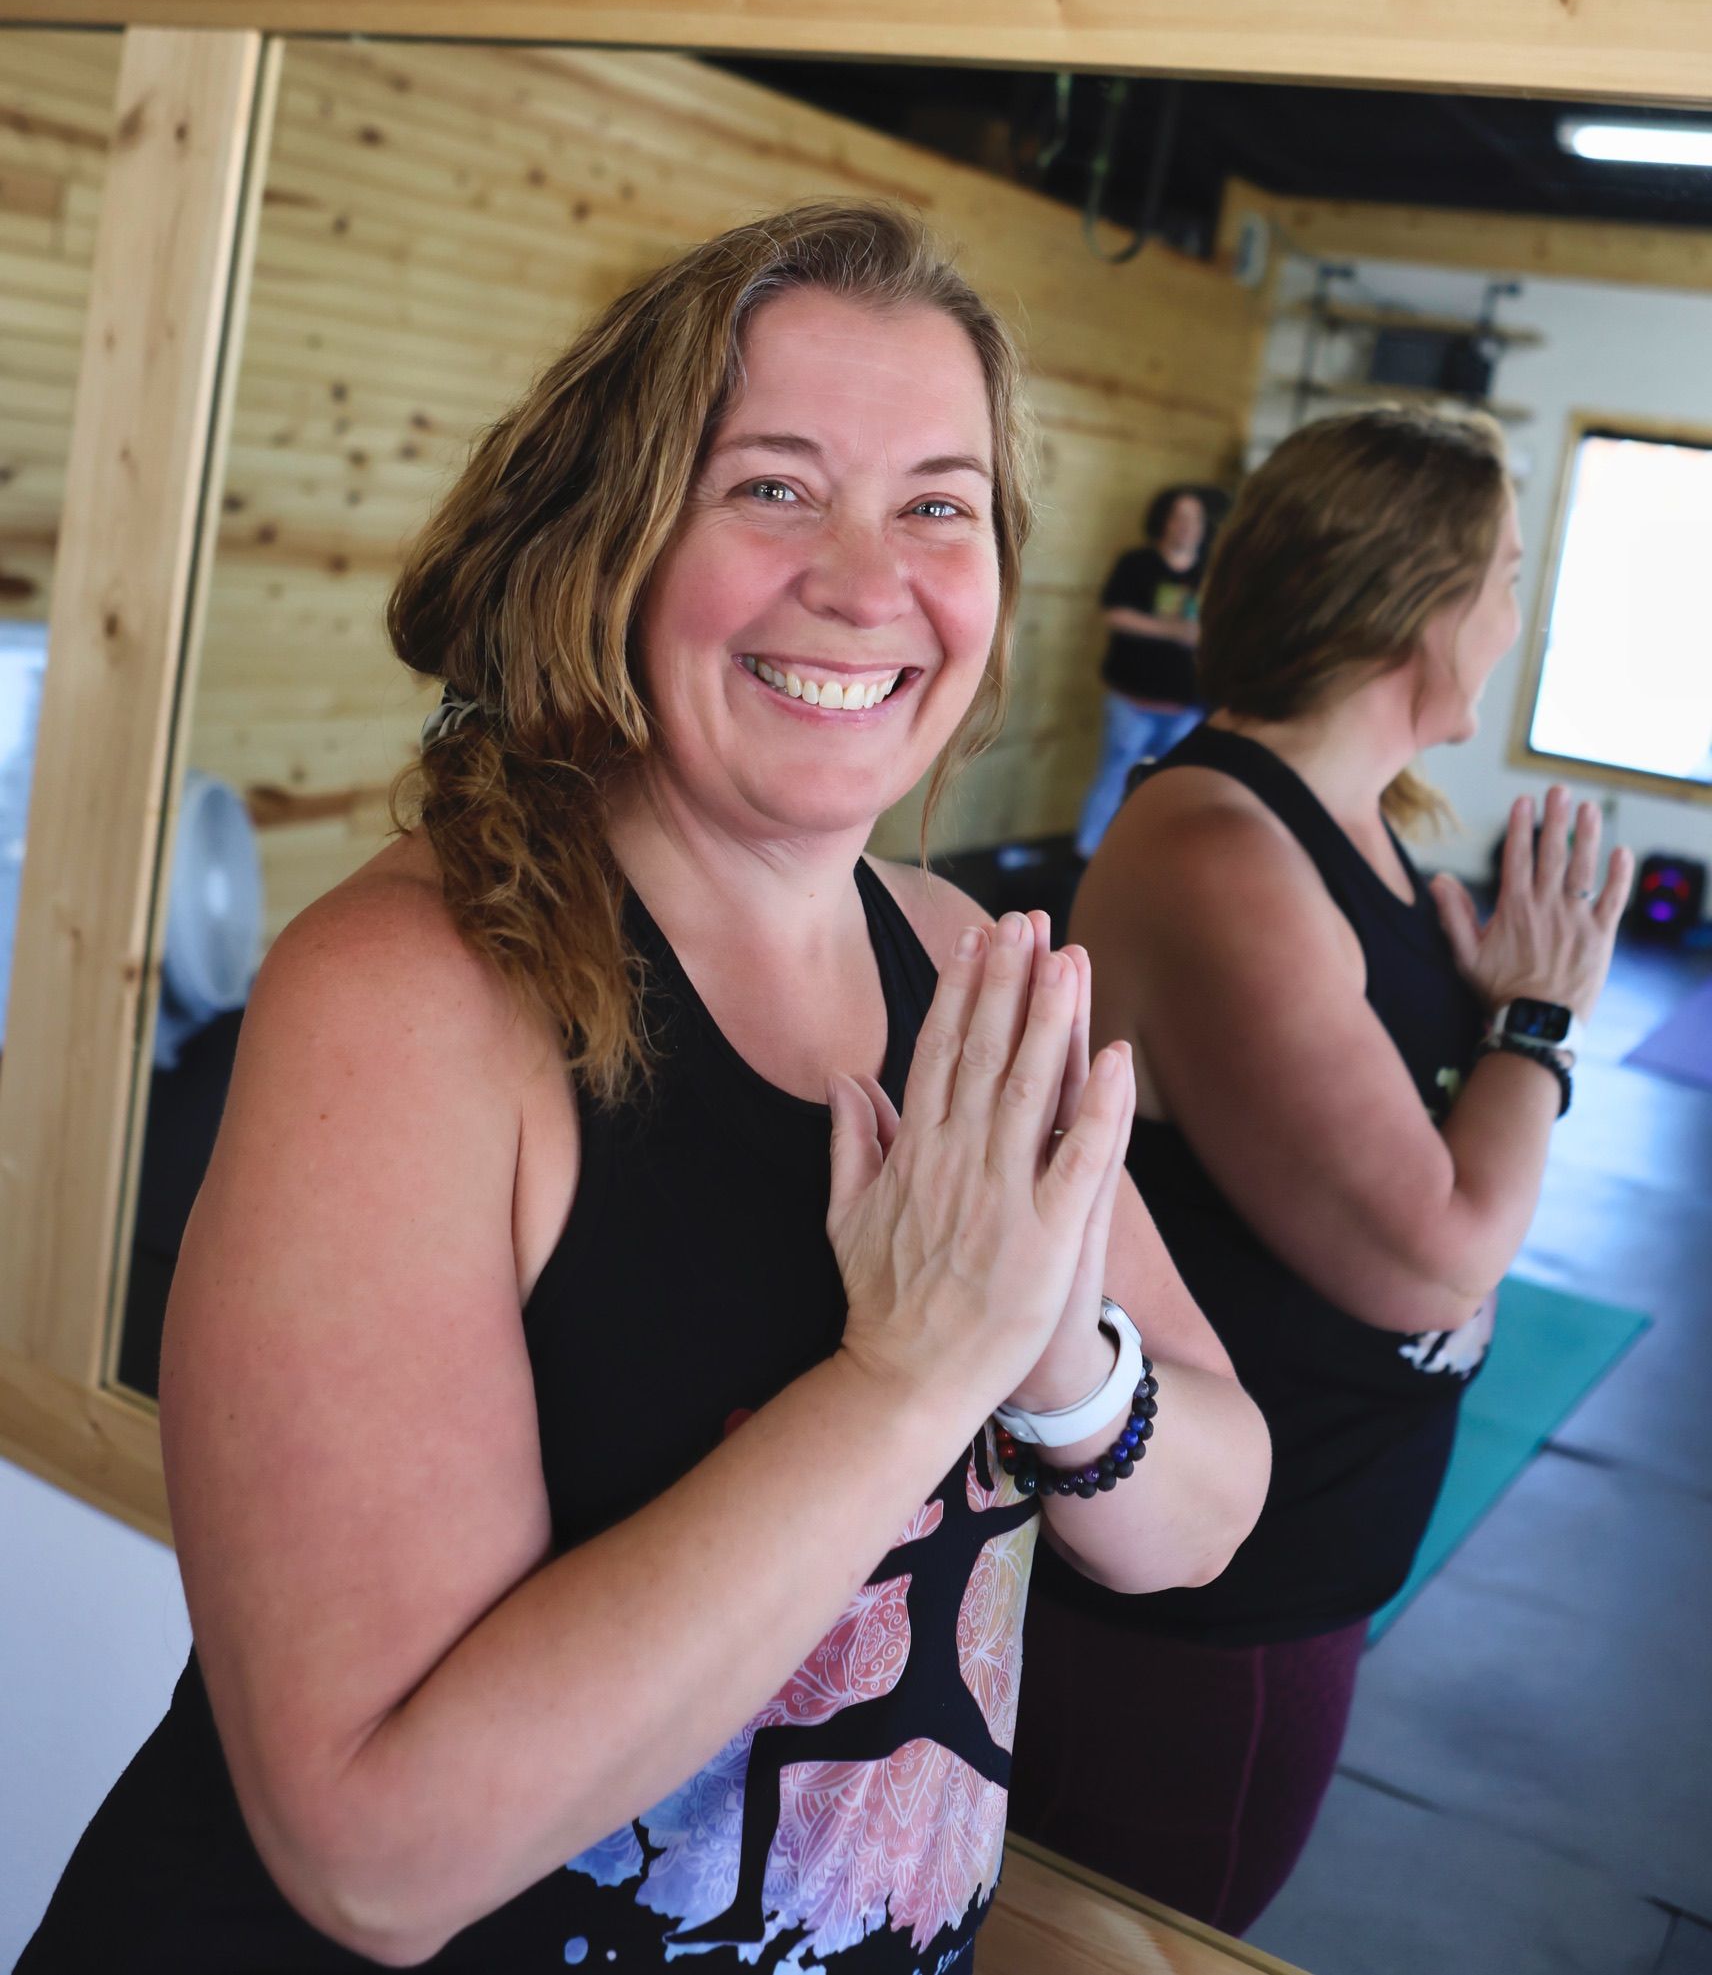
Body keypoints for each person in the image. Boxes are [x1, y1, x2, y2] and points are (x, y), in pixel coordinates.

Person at [20, 202, 1268, 1974]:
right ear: (612, 536)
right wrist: (913, 1374)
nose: (868, 581)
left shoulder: (951, 958)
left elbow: (1206, 1509)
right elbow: (375, 1852)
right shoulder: (417, 997)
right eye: (773, 486)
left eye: (939, 504)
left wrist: (1060, 1362)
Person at [1008, 408, 1634, 1936]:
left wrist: (1484, 1023)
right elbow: (1434, 1256)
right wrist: (1540, 1025)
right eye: (1504, 575)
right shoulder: (1224, 845)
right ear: (1423, 606)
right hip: (1204, 1608)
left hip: (1305, 1555)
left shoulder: (1369, 828)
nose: (1515, 614)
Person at [1074, 483, 1218, 858]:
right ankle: (1085, 859)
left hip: (1188, 706)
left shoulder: (1212, 572)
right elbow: (1115, 614)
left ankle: (1142, 860)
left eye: (1195, 519)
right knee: (1115, 779)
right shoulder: (1137, 563)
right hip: (1132, 700)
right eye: (1179, 517)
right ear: (1163, 521)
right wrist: (1174, 631)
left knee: (1167, 790)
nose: (1187, 526)